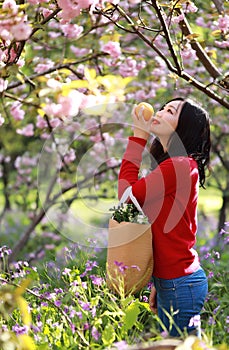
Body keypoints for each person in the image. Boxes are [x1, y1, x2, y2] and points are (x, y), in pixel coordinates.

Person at [118, 97, 211, 338]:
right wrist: (160, 282)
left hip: (181, 284)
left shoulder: (180, 166)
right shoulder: (173, 165)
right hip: (175, 282)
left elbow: (125, 198)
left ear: (184, 128)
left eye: (170, 111)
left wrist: (138, 136)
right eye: (162, 107)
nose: (159, 111)